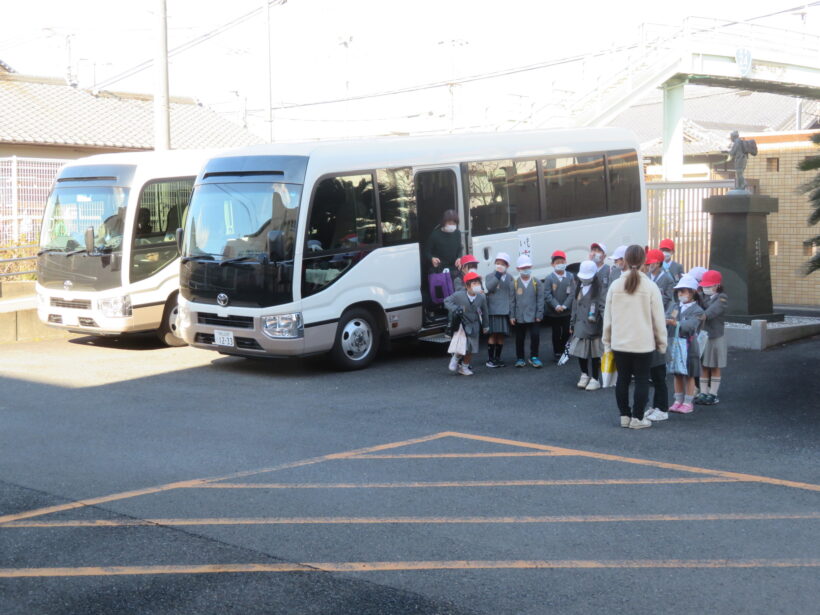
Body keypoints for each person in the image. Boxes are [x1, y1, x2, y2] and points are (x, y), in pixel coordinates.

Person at [602, 245, 667, 429]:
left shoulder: (615, 285)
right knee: (641, 380)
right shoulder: (650, 286)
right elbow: (658, 320)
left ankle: (624, 416)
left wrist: (607, 342)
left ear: (626, 260)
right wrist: (662, 344)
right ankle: (637, 418)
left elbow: (608, 318)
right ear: (643, 261)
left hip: (619, 342)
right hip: (643, 343)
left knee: (622, 379)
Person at [665, 276, 705, 414]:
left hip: (689, 345)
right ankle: (678, 400)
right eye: (679, 291)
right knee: (676, 373)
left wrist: (676, 323)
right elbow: (667, 316)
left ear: (692, 292)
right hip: (675, 343)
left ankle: (688, 402)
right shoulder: (675, 306)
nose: (680, 294)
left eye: (683, 291)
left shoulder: (698, 310)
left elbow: (692, 325)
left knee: (689, 374)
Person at [445, 271, 489, 376]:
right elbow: (446, 301)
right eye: (474, 283)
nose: (477, 285)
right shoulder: (459, 295)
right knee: (462, 345)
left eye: (478, 283)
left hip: (474, 324)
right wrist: (456, 309)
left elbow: (485, 311)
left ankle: (464, 367)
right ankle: (455, 358)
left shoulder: (481, 297)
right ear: (467, 286)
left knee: (472, 349)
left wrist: (486, 326)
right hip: (462, 324)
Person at [570, 260, 605, 390]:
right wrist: (572, 323)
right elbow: (574, 306)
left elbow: (602, 307)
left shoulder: (600, 288)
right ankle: (584, 374)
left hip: (594, 326)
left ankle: (595, 378)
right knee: (581, 353)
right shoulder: (578, 286)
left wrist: (606, 324)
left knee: (595, 354)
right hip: (580, 325)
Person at [696, 270, 729, 406]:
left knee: (715, 366)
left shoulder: (722, 298)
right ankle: (704, 392)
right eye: (704, 285)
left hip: (716, 336)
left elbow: (711, 312)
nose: (706, 288)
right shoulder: (702, 296)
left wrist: (699, 314)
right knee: (703, 365)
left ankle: (713, 394)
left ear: (717, 285)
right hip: (704, 336)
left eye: (709, 286)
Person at [509, 255, 545, 368]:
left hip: (534, 315)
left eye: (528, 267)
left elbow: (540, 299)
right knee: (519, 337)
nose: (526, 269)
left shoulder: (537, 282)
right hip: (520, 316)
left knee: (535, 335)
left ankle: (534, 356)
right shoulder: (514, 284)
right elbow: (512, 301)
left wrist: (539, 314)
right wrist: (512, 316)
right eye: (523, 267)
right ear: (518, 269)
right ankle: (520, 358)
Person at [544, 250, 574, 362]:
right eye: (557, 262)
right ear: (552, 264)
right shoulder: (549, 278)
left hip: (567, 311)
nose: (560, 264)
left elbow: (572, 294)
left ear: (565, 262)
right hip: (554, 312)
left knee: (567, 331)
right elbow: (547, 294)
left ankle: (565, 350)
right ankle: (557, 351)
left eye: (562, 261)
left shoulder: (570, 277)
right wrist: (556, 306)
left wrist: (565, 306)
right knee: (556, 332)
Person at [485, 252, 514, 367]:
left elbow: (512, 294)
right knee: (493, 334)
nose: (499, 265)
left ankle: (498, 358)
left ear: (507, 265)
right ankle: (490, 359)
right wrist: (498, 275)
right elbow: (489, 287)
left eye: (502, 264)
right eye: (497, 263)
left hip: (505, 310)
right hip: (493, 310)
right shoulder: (490, 276)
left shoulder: (510, 277)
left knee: (501, 335)